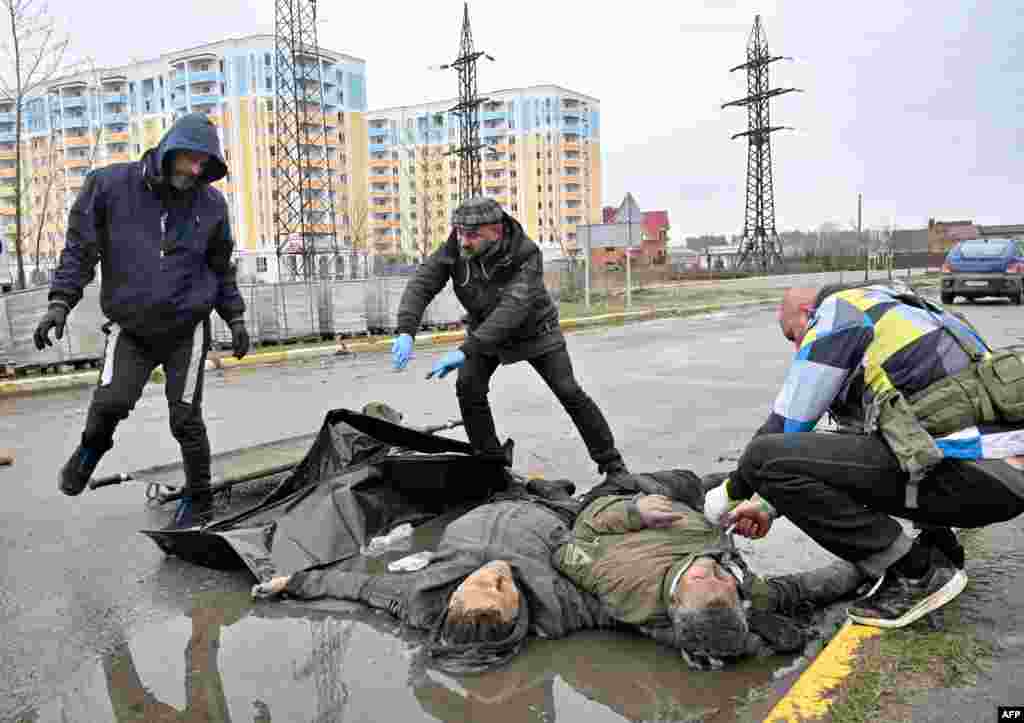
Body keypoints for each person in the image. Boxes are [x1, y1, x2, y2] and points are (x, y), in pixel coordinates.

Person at [704, 282, 1024, 629]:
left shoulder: (840, 313)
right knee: (898, 436)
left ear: (806, 314)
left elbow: (784, 428)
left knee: (763, 456)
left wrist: (726, 497)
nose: (798, 348)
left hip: (975, 477)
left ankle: (917, 573)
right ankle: (940, 551)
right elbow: (853, 457)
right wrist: (768, 505)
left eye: (792, 335)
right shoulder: (907, 310)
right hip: (1001, 477)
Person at [34, 112, 250, 528]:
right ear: (169, 149)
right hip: (131, 327)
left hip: (186, 328)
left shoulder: (211, 204)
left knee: (185, 417)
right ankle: (89, 451)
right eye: (189, 159)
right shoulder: (110, 186)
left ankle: (199, 500)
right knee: (112, 403)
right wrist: (60, 302)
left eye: (205, 164)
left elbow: (221, 267)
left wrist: (235, 318)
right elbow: (80, 250)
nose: (195, 170)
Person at [252, 476, 616, 672]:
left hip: (492, 504)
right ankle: (550, 492)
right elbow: (631, 606)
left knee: (507, 484)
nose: (492, 570)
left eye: (474, 583)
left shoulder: (421, 600)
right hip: (551, 517)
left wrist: (293, 582)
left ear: (452, 600)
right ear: (517, 613)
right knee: (588, 500)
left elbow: (358, 586)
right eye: (500, 586)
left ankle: (533, 487)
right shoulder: (563, 607)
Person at [389, 196, 628, 480]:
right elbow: (422, 283)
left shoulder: (526, 254)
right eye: (460, 232)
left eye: (473, 235)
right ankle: (490, 465)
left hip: (536, 332)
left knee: (568, 391)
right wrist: (406, 330)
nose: (464, 241)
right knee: (468, 386)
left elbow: (513, 309)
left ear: (497, 230)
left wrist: (466, 350)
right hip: (485, 331)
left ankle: (613, 466)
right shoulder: (456, 246)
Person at [555, 471, 866, 670]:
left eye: (704, 578)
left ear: (674, 601)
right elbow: (797, 589)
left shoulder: (620, 583)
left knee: (709, 482)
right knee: (747, 483)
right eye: (724, 579)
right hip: (698, 519)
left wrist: (633, 512)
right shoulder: (736, 593)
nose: (712, 568)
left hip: (636, 498)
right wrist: (868, 567)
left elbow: (570, 544)